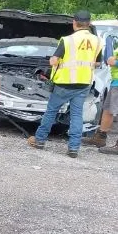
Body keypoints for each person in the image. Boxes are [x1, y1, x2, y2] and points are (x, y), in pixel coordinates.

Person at [27, 10, 102, 158]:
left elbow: (54, 61)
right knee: (76, 115)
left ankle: (40, 140)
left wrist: (53, 62)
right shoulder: (97, 41)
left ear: (74, 22)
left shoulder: (67, 40)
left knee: (51, 111)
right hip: (83, 83)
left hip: (64, 83)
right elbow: (98, 63)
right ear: (89, 24)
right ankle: (73, 148)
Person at [82, 31, 118, 154]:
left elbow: (112, 61)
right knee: (107, 110)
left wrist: (114, 62)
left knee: (112, 110)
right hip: (115, 82)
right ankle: (100, 137)